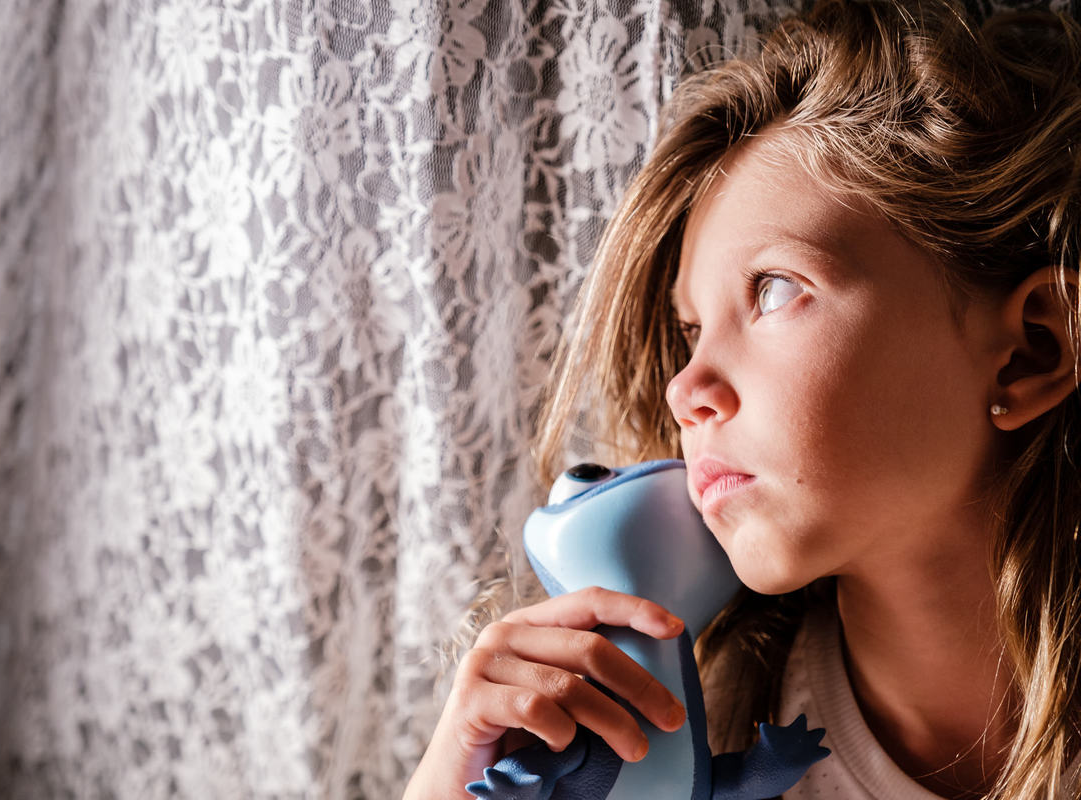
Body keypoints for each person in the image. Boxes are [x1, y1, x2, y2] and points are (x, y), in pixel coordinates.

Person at [402, 0, 1081, 797]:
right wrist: (449, 781)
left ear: (1034, 350)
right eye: (690, 330)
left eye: (774, 289)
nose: (686, 390)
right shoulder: (674, 726)